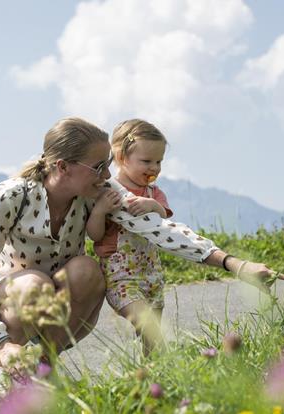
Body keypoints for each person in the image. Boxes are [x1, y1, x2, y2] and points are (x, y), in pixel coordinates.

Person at [0, 117, 284, 399]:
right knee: (35, 282)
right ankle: (5, 369)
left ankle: (44, 368)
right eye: (99, 166)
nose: (107, 174)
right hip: (16, 293)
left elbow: (161, 230)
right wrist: (1, 343)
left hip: (58, 296)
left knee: (88, 270)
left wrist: (234, 264)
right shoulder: (13, 196)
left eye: (108, 165)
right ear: (63, 167)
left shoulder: (97, 195)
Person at [86, 119, 173, 353]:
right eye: (146, 161)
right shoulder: (106, 191)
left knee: (151, 338)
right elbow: (94, 235)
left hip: (151, 272)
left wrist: (152, 205)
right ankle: (166, 363)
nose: (154, 167)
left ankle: (155, 377)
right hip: (121, 276)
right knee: (148, 326)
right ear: (122, 158)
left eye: (159, 161)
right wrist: (100, 211)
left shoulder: (153, 193)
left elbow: (164, 217)